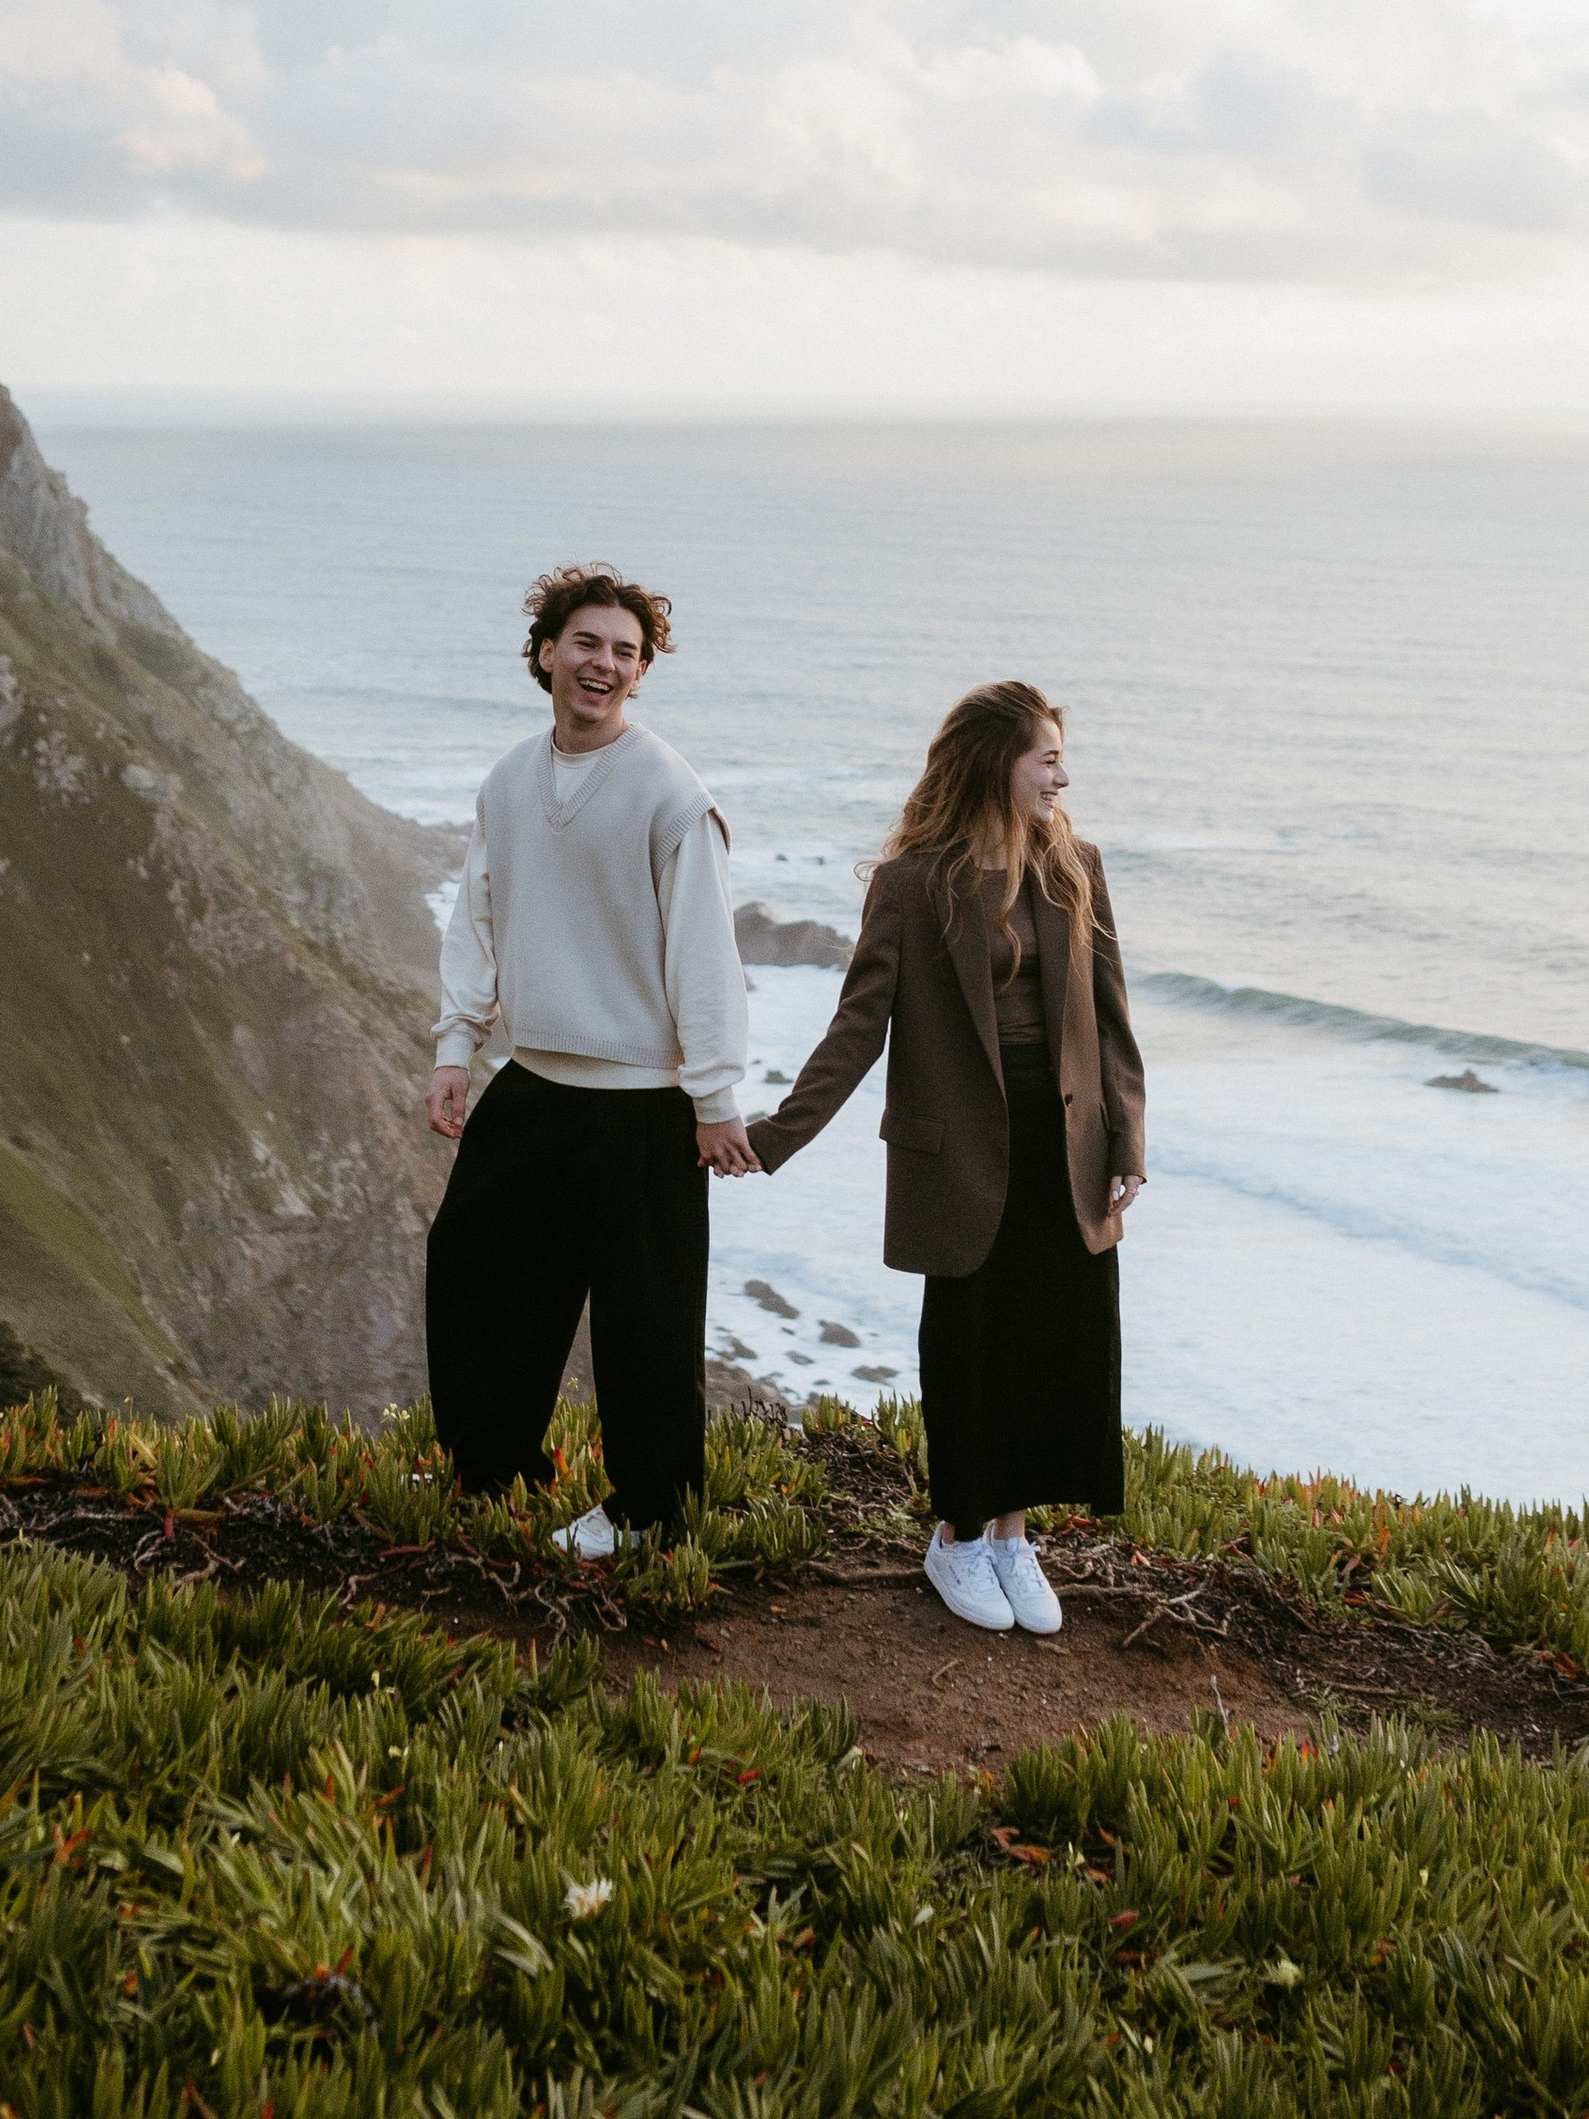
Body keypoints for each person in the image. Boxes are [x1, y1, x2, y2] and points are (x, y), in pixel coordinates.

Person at [745, 680, 1145, 1635]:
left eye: (1059, 757)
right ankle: (958, 1535)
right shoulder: (915, 882)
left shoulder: (1074, 867)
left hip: (1064, 1141)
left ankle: (1013, 1536)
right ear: (991, 763)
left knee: (1059, 1338)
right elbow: (856, 1030)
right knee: (970, 1342)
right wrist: (770, 1140)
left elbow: (1111, 1018)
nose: (1062, 774)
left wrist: (1127, 1135)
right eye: (1045, 756)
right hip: (961, 1148)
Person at [425, 564, 759, 1560]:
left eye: (624, 651)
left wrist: (715, 1095)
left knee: (644, 1319)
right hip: (532, 1082)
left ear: (641, 672)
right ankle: (490, 1466)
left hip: (643, 1103)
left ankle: (651, 1507)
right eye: (586, 643)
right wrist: (458, 1046)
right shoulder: (506, 779)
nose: (602, 664)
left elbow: (705, 954)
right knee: (475, 1272)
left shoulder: (669, 792)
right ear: (545, 653)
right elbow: (476, 919)